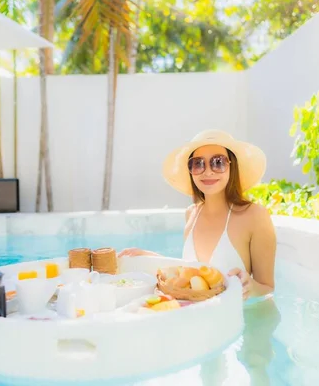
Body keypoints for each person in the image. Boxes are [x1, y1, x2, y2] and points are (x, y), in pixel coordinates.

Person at [119, 129, 281, 385]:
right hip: (206, 319)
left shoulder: (254, 216)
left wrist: (249, 287)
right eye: (198, 164)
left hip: (250, 322)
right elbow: (197, 271)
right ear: (190, 171)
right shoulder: (191, 214)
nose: (207, 171)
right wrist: (152, 259)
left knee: (256, 375)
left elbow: (268, 287)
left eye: (217, 162)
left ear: (231, 167)